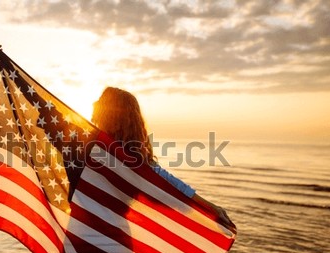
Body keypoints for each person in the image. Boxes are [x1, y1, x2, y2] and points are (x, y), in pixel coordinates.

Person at [91, 86, 236, 233]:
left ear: (107, 115)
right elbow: (175, 188)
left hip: (93, 239)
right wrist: (212, 208)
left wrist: (212, 209)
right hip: (112, 240)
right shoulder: (139, 161)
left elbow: (173, 187)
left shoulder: (87, 147)